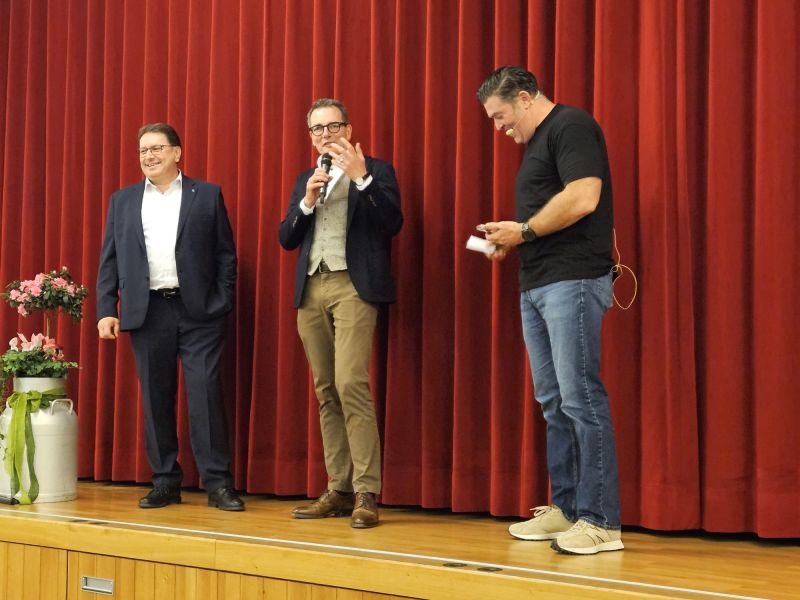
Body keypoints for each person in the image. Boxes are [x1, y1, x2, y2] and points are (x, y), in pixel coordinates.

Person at [477, 66, 623, 555]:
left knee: (580, 397)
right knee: (554, 401)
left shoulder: (571, 125)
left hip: (573, 280)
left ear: (524, 98)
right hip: (538, 283)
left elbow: (584, 197)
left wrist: (524, 231)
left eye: (500, 116)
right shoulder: (538, 142)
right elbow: (547, 216)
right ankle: (567, 507)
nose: (499, 127)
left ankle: (601, 521)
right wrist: (514, 239)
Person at [96, 123, 244, 512]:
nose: (149, 156)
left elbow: (226, 255)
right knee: (156, 398)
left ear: (177, 153)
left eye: (157, 148)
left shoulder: (206, 195)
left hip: (200, 313)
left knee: (204, 393)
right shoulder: (123, 201)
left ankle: (218, 484)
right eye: (143, 150)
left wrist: (222, 300)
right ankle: (165, 481)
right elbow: (110, 259)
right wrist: (106, 309)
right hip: (147, 312)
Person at [279, 98, 402, 528]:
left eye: (333, 126)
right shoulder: (306, 178)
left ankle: (367, 491)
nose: (326, 134)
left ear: (348, 129)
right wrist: (307, 202)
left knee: (351, 383)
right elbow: (286, 238)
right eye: (318, 128)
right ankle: (340, 488)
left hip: (353, 285)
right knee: (326, 388)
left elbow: (393, 223)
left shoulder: (377, 169)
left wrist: (362, 178)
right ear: (310, 136)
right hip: (311, 287)